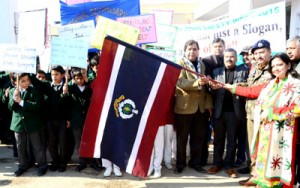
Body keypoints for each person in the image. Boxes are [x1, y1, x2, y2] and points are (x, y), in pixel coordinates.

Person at [224, 52, 300, 188]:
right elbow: (252, 90)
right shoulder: (270, 84)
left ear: (288, 65)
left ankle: (275, 184)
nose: (276, 68)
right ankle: (263, 181)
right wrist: (233, 88)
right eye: (273, 66)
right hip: (265, 130)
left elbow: (297, 109)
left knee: (278, 160)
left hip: (282, 133)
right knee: (264, 157)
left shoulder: (296, 85)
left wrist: (272, 113)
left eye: (280, 65)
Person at [207, 48, 248, 178]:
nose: (229, 59)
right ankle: (217, 164)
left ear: (236, 59)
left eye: (232, 57)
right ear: (223, 58)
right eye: (226, 57)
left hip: (235, 113)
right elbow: (211, 90)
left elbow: (247, 86)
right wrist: (211, 87)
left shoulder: (243, 71)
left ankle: (229, 166)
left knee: (232, 141)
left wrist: (238, 86)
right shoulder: (216, 72)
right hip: (219, 112)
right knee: (218, 140)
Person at [173, 39, 213, 174]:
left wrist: (208, 104)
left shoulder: (202, 64)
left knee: (198, 138)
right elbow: (179, 82)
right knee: (182, 139)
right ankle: (180, 164)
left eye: (195, 49)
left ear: (198, 51)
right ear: (185, 51)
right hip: (184, 107)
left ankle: (195, 163)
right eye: (189, 49)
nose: (192, 51)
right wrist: (197, 82)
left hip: (200, 109)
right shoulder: (179, 63)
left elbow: (205, 88)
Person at [237, 39, 273, 186]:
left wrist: (234, 89)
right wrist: (234, 85)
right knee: (252, 147)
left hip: (265, 115)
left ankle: (265, 178)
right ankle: (254, 176)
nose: (258, 56)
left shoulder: (274, 68)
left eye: (262, 52)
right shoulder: (255, 67)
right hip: (251, 113)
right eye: (256, 53)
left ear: (269, 52)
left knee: (264, 148)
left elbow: (257, 91)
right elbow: (250, 85)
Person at [30, 65, 70, 172]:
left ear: (62, 75)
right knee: (52, 142)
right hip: (49, 119)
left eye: (56, 74)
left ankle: (62, 162)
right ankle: (55, 161)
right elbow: (36, 82)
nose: (54, 76)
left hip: (62, 119)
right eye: (52, 74)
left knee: (63, 142)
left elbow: (69, 106)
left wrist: (65, 93)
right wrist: (29, 71)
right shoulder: (47, 86)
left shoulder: (67, 86)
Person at [8, 73, 48, 176]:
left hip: (33, 123)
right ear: (15, 82)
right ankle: (22, 165)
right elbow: (10, 107)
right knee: (20, 146)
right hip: (18, 124)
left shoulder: (34, 91)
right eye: (22, 81)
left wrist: (21, 101)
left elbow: (36, 106)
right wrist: (14, 99)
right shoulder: (13, 91)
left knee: (37, 146)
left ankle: (42, 165)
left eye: (27, 80)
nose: (26, 83)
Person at [65, 69, 102, 172]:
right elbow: (67, 105)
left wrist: (87, 80)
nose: (79, 80)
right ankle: (82, 162)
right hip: (76, 120)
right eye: (77, 78)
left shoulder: (89, 88)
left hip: (88, 119)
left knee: (89, 141)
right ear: (74, 79)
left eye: (81, 78)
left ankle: (92, 162)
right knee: (79, 142)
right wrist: (68, 119)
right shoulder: (70, 89)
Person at [286, 36, 300, 186]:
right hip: (288, 116)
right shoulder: (287, 65)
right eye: (287, 48)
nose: (289, 51)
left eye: (292, 48)